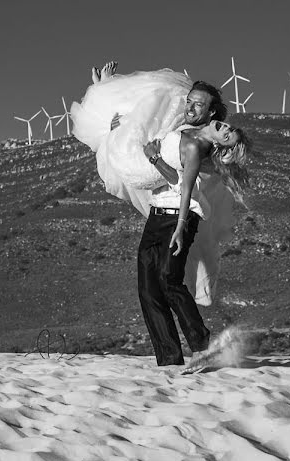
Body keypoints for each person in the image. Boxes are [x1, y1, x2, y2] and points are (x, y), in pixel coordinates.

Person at [72, 62, 251, 366]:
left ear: (211, 113)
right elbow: (146, 123)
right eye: (190, 101)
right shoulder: (183, 128)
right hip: (159, 214)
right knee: (147, 288)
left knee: (169, 280)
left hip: (178, 216)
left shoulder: (196, 146)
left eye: (200, 105)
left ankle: (202, 342)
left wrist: (156, 162)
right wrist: (108, 95)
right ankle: (169, 357)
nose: (192, 107)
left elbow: (181, 184)